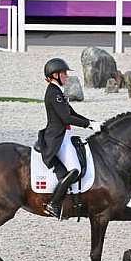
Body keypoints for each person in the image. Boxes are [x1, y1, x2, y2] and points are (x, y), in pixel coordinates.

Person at [38, 58, 103, 219]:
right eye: (64, 73)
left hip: (65, 135)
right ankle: (53, 204)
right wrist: (87, 124)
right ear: (55, 75)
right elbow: (66, 118)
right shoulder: (53, 93)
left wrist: (92, 123)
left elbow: (72, 113)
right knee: (75, 169)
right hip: (57, 138)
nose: (67, 76)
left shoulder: (58, 92)